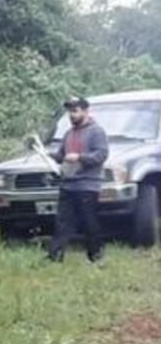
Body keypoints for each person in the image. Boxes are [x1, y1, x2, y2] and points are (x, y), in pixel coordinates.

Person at [47, 96, 109, 263]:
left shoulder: (96, 131)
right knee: (61, 223)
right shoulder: (68, 134)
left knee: (89, 222)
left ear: (85, 111)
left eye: (75, 111)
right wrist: (49, 155)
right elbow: (62, 156)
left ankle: (96, 256)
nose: (72, 115)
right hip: (67, 184)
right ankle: (54, 256)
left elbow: (101, 154)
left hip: (87, 184)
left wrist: (80, 157)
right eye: (70, 112)